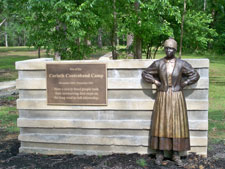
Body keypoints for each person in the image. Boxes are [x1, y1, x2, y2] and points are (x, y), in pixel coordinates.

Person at [142, 38, 200, 166]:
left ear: (175, 50)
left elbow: (195, 75)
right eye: (166, 48)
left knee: (176, 124)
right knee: (161, 123)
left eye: (171, 49)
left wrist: (184, 83)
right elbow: (145, 74)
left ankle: (176, 154)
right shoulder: (158, 63)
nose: (168, 51)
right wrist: (156, 82)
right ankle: (160, 153)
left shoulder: (181, 64)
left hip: (177, 97)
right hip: (162, 96)